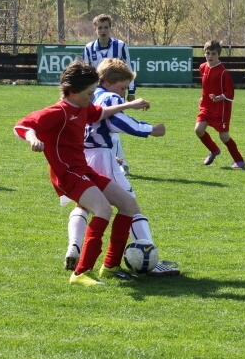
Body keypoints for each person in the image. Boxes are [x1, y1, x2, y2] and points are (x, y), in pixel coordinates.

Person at [15, 60, 147, 286]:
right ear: (73, 91)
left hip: (83, 170)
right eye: (89, 93)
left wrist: (127, 106)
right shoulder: (58, 111)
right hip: (66, 174)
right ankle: (80, 273)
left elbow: (100, 113)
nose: (92, 96)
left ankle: (110, 266)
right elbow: (22, 126)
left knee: (128, 204)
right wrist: (33, 139)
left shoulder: (83, 107)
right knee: (102, 209)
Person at [64, 58, 180, 277]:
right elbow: (115, 121)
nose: (124, 93)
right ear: (108, 81)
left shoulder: (86, 95)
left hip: (83, 156)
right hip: (102, 155)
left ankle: (74, 247)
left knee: (83, 206)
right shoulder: (109, 96)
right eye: (123, 87)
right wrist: (149, 129)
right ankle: (149, 258)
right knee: (131, 206)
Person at [83, 13, 136, 174]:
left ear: (110, 28)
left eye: (106, 27)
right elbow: (87, 71)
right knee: (103, 126)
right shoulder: (89, 48)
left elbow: (129, 68)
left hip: (116, 92)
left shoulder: (120, 46)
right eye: (100, 28)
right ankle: (117, 163)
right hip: (96, 93)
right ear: (95, 29)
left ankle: (119, 163)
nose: (103, 30)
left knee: (112, 124)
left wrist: (131, 91)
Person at [196, 39, 245, 169]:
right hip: (206, 106)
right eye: (208, 53)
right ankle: (214, 150)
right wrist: (202, 98)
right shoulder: (203, 67)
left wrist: (219, 97)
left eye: (213, 53)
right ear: (204, 53)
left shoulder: (222, 72)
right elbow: (206, 86)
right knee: (198, 130)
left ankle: (239, 161)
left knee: (224, 137)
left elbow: (230, 92)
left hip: (221, 108)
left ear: (218, 55)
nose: (210, 56)